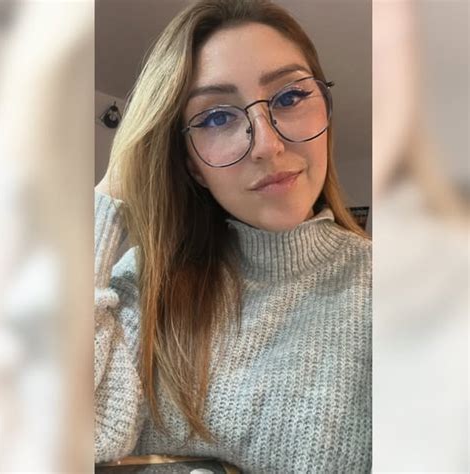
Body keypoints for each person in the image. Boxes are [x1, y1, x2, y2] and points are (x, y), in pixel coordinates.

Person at [95, 0, 371, 472]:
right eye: (216, 118)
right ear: (191, 166)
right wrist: (108, 196)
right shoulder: (144, 283)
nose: (267, 144)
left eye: (290, 97)